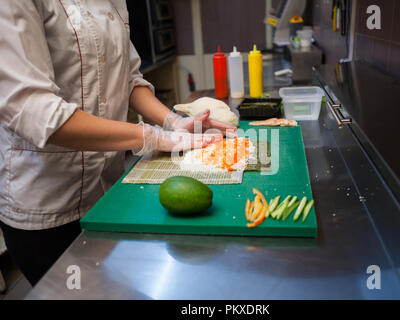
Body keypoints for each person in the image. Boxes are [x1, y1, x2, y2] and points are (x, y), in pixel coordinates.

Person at [0, 0, 236, 286]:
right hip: (47, 204)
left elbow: (129, 79)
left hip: (107, 194)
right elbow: (33, 108)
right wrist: (153, 137)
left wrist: (172, 121)